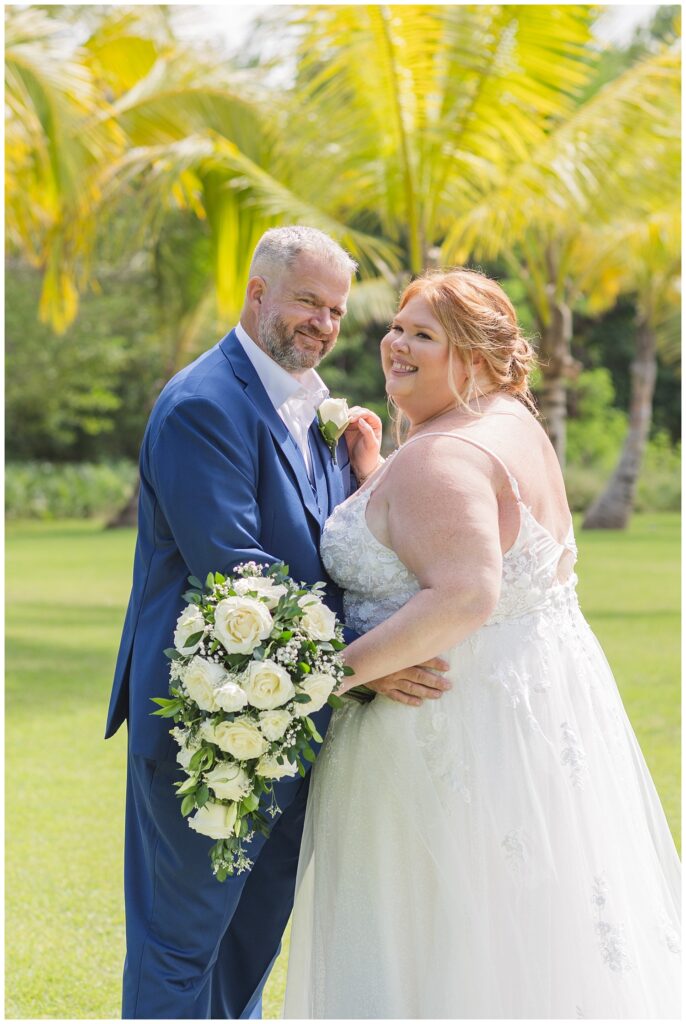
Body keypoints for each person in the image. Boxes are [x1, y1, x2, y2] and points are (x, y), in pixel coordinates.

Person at [283, 267, 681, 1019]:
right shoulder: (512, 427)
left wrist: (325, 676)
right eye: (397, 326)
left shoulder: (443, 456)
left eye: (423, 335)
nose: (395, 343)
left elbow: (466, 592)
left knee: (432, 945)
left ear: (478, 356)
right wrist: (376, 475)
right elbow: (445, 537)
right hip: (518, 725)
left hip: (434, 729)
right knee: (512, 936)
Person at [105, 226, 448, 1019]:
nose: (323, 324)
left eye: (334, 309)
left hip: (297, 719)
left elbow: (336, 551)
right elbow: (240, 576)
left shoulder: (314, 404)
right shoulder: (203, 405)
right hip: (204, 724)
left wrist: (364, 465)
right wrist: (365, 664)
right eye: (306, 302)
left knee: (251, 946)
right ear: (258, 293)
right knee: (182, 950)